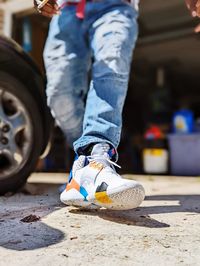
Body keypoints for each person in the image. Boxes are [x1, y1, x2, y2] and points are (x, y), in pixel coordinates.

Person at [34, 0, 146, 210]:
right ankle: (84, 168)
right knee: (59, 94)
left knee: (110, 71)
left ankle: (97, 158)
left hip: (115, 6)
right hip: (65, 11)